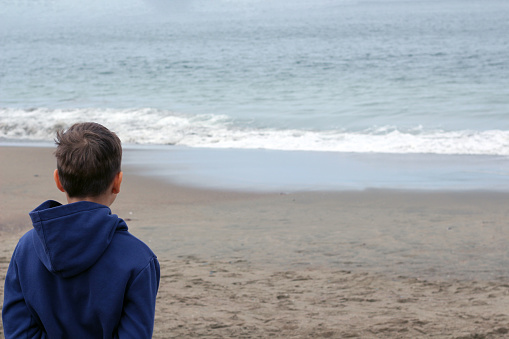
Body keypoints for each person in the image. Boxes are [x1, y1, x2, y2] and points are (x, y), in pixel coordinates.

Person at [2, 122, 160, 338]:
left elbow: (18, 331)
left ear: (58, 180)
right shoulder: (139, 259)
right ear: (117, 182)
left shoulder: (26, 248)